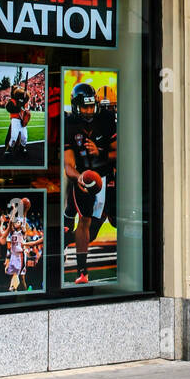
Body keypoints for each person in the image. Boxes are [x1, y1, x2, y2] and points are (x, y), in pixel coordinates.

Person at [63, 82, 117, 285]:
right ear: (76, 106)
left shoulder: (105, 118)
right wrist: (78, 178)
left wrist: (100, 151)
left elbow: (117, 151)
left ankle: (62, 241)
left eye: (90, 106)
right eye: (84, 106)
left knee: (93, 230)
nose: (88, 110)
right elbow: (68, 164)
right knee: (83, 222)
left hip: (104, 177)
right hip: (83, 177)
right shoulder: (69, 124)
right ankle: (82, 271)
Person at [3, 81, 30, 159]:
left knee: (25, 137)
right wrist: (19, 105)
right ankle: (9, 149)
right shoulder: (13, 101)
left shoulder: (25, 102)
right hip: (15, 120)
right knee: (13, 136)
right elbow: (10, 108)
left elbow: (27, 111)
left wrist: (27, 114)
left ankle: (22, 147)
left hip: (22, 122)